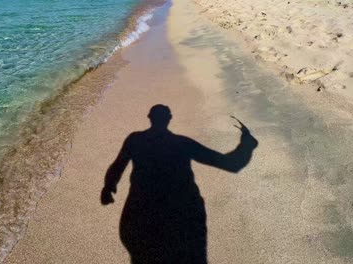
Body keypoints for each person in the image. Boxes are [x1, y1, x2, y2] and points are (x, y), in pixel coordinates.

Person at [101, 104, 258, 264]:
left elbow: (117, 166)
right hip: (183, 213)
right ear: (169, 119)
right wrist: (248, 144)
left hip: (142, 212)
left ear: (149, 118)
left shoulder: (135, 140)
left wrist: (108, 187)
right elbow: (231, 164)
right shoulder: (182, 144)